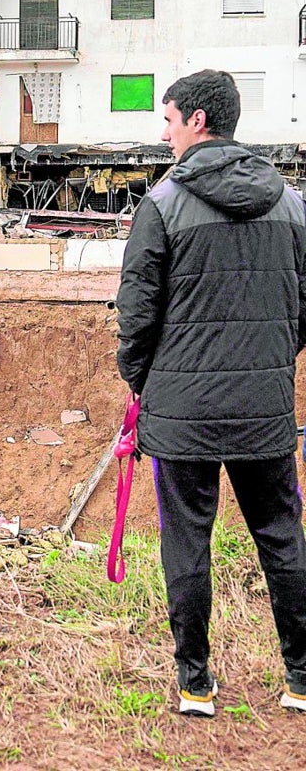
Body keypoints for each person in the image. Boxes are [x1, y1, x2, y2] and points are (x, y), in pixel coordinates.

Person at [116, 69, 306, 717]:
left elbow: (137, 315)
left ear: (197, 120)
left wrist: (145, 384)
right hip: (264, 412)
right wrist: (271, 363)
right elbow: (303, 307)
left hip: (183, 416)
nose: (163, 133)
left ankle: (195, 684)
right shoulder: (291, 203)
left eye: (167, 120)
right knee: (283, 537)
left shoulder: (163, 204)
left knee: (186, 542)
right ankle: (301, 680)